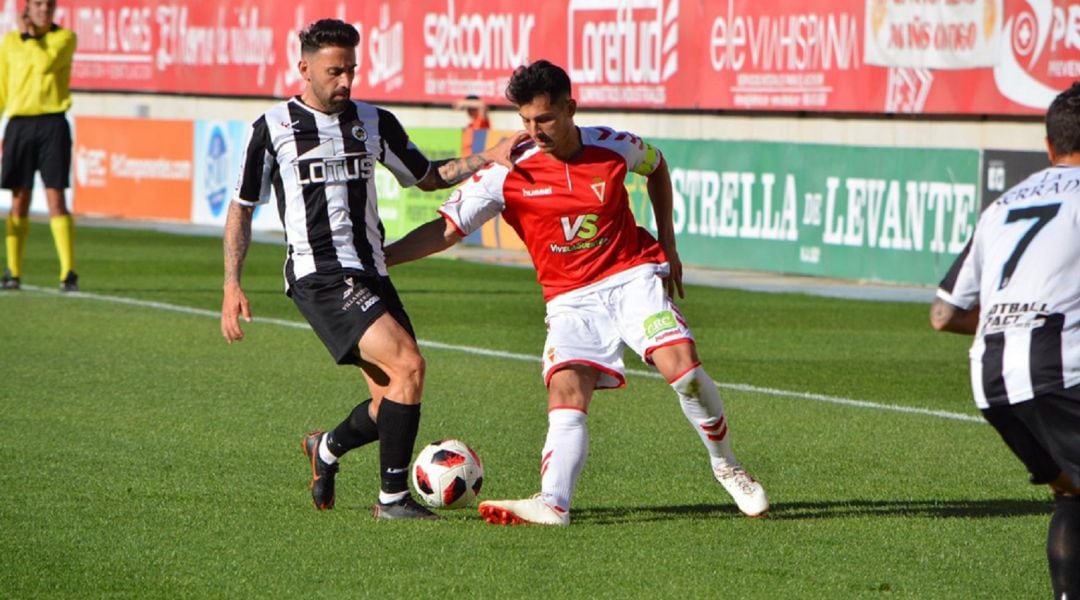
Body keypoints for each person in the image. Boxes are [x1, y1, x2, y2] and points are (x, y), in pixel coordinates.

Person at [386, 60, 769, 526]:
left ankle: (726, 465)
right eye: (525, 121)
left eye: (544, 119)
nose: (534, 131)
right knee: (566, 390)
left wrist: (668, 242)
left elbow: (658, 166)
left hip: (630, 276)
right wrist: (380, 259)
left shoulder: (613, 147)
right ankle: (554, 503)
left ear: (571, 108)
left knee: (683, 368)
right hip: (569, 297)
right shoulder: (507, 171)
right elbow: (447, 230)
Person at [220, 19, 518, 521]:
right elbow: (242, 206)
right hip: (319, 277)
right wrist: (232, 283)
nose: (346, 82)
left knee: (392, 399)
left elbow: (427, 177)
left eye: (351, 70)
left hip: (371, 272)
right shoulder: (271, 129)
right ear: (304, 69)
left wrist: (486, 158)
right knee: (410, 367)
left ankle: (327, 448)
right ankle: (393, 501)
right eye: (334, 71)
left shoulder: (373, 121)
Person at [931, 81, 1080, 597]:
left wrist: (1010, 319)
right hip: (1059, 370)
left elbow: (943, 315)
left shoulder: (1003, 204)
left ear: (1048, 145)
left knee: (1072, 494)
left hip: (991, 381)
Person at [0, 0, 78, 291]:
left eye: (48, 4)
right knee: (19, 199)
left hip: (52, 123)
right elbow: (3, 86)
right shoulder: (9, 42)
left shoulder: (64, 38)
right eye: (37, 4)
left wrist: (30, 38)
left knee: (55, 196)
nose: (43, 9)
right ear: (27, 9)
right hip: (19, 124)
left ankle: (68, 273)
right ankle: (13, 272)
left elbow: (45, 64)